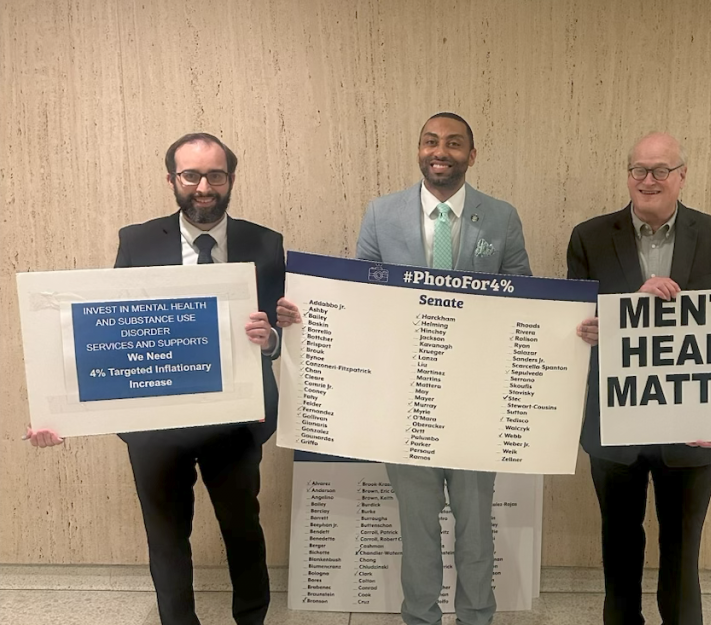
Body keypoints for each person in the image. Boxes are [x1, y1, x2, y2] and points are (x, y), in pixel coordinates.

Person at [278, 112, 530, 625]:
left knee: (475, 526)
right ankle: (420, 617)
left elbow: (524, 296)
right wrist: (309, 314)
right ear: (419, 150)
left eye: (453, 143)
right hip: (405, 402)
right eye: (430, 141)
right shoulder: (381, 214)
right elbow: (359, 297)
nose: (441, 151)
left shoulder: (502, 218)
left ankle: (477, 617)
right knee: (417, 526)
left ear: (471, 155)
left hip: (474, 402)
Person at [26, 132, 284, 625]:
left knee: (243, 530)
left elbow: (279, 332)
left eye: (215, 175)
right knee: (166, 538)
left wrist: (270, 337)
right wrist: (55, 409)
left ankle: (252, 619)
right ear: (172, 179)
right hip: (155, 425)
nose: (203, 187)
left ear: (231, 178)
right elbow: (107, 331)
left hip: (235, 422)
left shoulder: (265, 243)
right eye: (191, 175)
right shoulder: (137, 240)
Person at [568, 132, 711, 625]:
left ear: (681, 176)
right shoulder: (588, 237)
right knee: (618, 545)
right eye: (639, 170)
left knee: (684, 550)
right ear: (628, 175)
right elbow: (573, 321)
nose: (648, 180)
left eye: (661, 170)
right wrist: (628, 307)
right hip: (614, 419)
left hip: (691, 422)